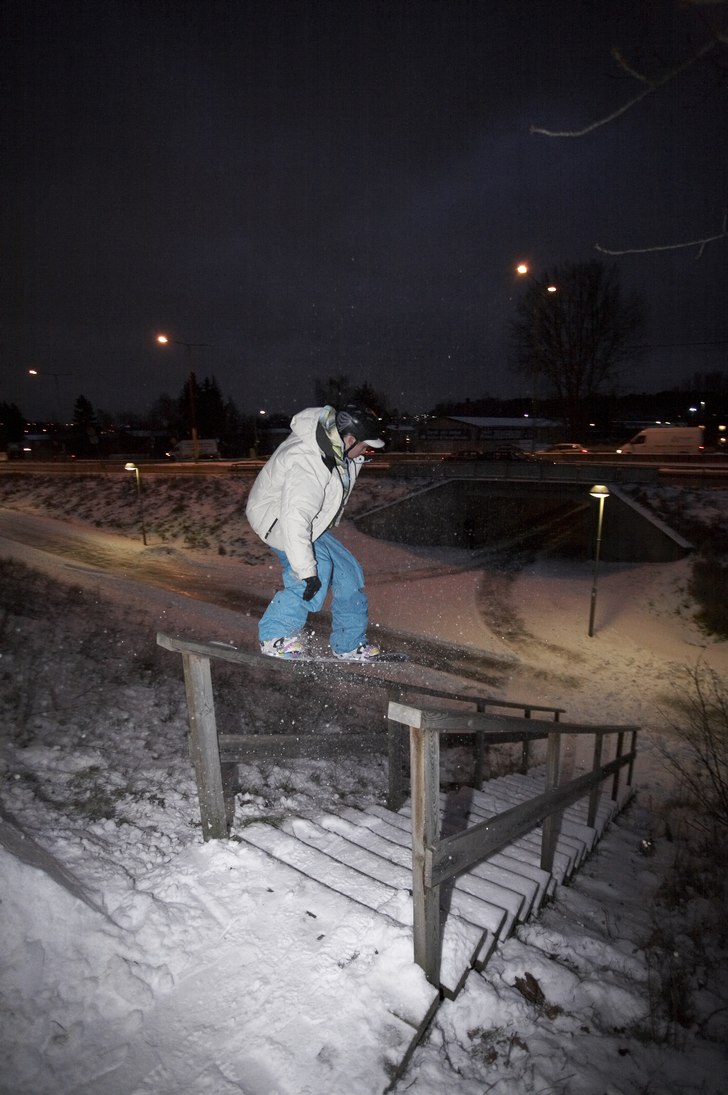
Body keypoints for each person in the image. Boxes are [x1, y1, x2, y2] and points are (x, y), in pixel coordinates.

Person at [245, 404, 386, 660]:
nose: (366, 451)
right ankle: (275, 636)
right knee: (313, 570)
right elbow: (295, 518)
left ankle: (348, 644)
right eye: (364, 445)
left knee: (348, 571)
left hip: (307, 520)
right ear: (349, 439)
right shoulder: (309, 460)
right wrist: (307, 572)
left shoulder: (336, 450)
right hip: (278, 519)